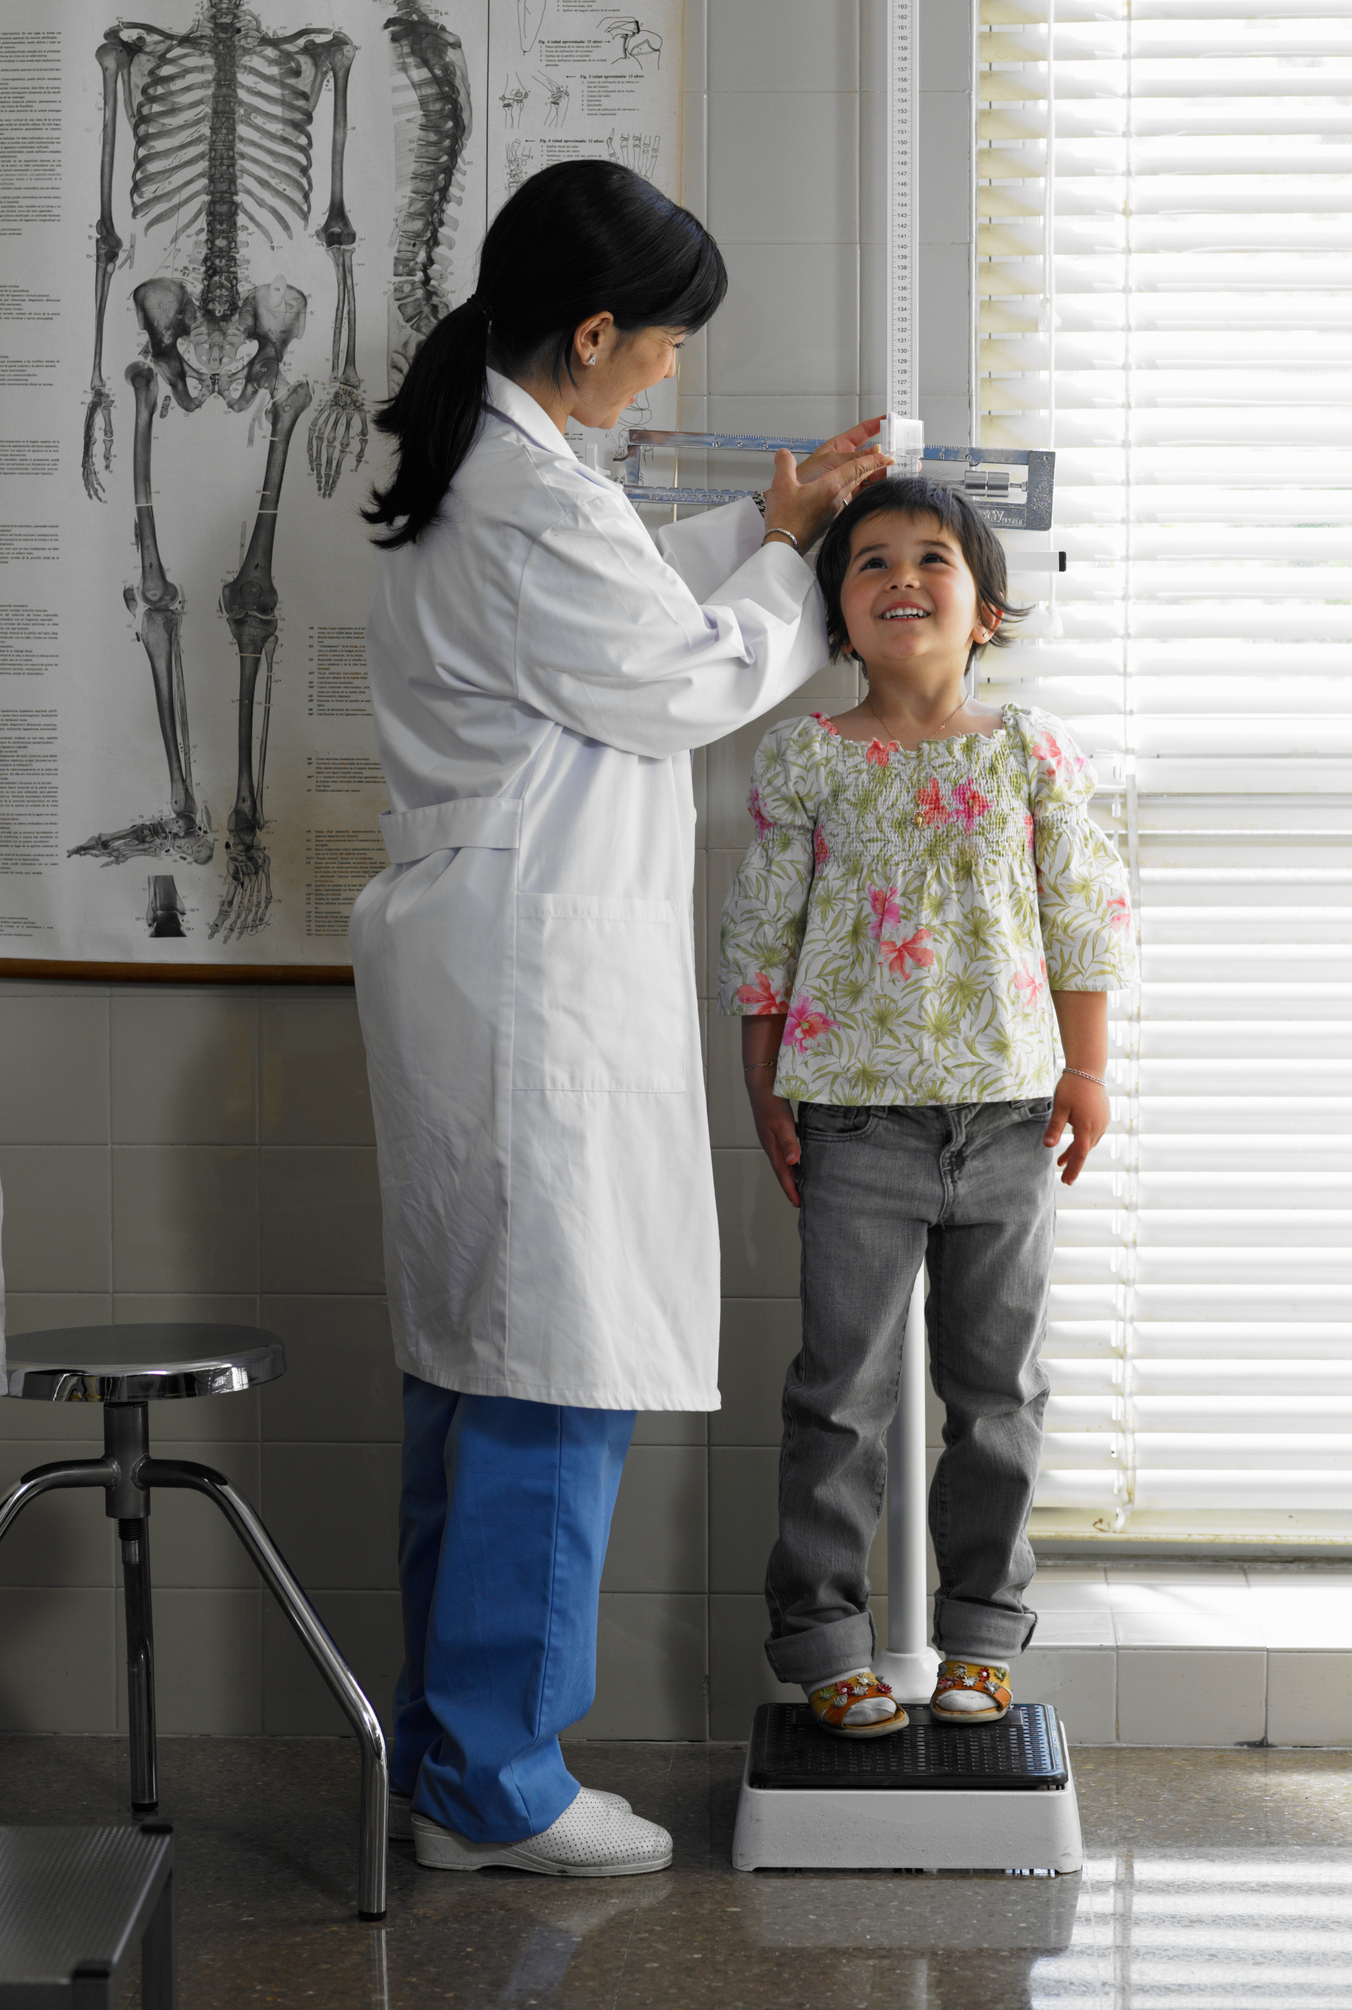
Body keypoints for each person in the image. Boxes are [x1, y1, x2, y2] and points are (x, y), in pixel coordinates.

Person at [351, 159, 889, 1874]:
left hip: (485, 961)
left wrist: (768, 523)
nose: (670, 374)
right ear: (591, 332)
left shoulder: (494, 472)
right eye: (662, 347)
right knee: (547, 1379)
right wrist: (802, 577)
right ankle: (497, 1786)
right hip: (527, 983)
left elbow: (614, 600)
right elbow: (674, 681)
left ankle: (450, 1764)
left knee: (476, 1373)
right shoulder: (530, 503)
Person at [718, 479, 1135, 1739]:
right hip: (851, 1121)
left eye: (933, 560)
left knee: (997, 1393)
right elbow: (761, 934)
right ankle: (825, 1638)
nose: (903, 578)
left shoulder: (1029, 748)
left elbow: (1083, 914)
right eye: (871, 564)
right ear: (837, 615)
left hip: (1007, 1118)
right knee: (835, 1394)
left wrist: (1088, 1068)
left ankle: (980, 1640)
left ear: (986, 610)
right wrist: (763, 1080)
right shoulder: (803, 754)